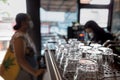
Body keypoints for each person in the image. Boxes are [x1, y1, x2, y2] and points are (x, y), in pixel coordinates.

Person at [7, 13, 44, 80]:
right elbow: (20, 59)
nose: (31, 22)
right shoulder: (19, 37)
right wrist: (35, 72)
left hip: (29, 72)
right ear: (23, 22)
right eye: (29, 20)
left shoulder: (25, 34)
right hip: (23, 74)